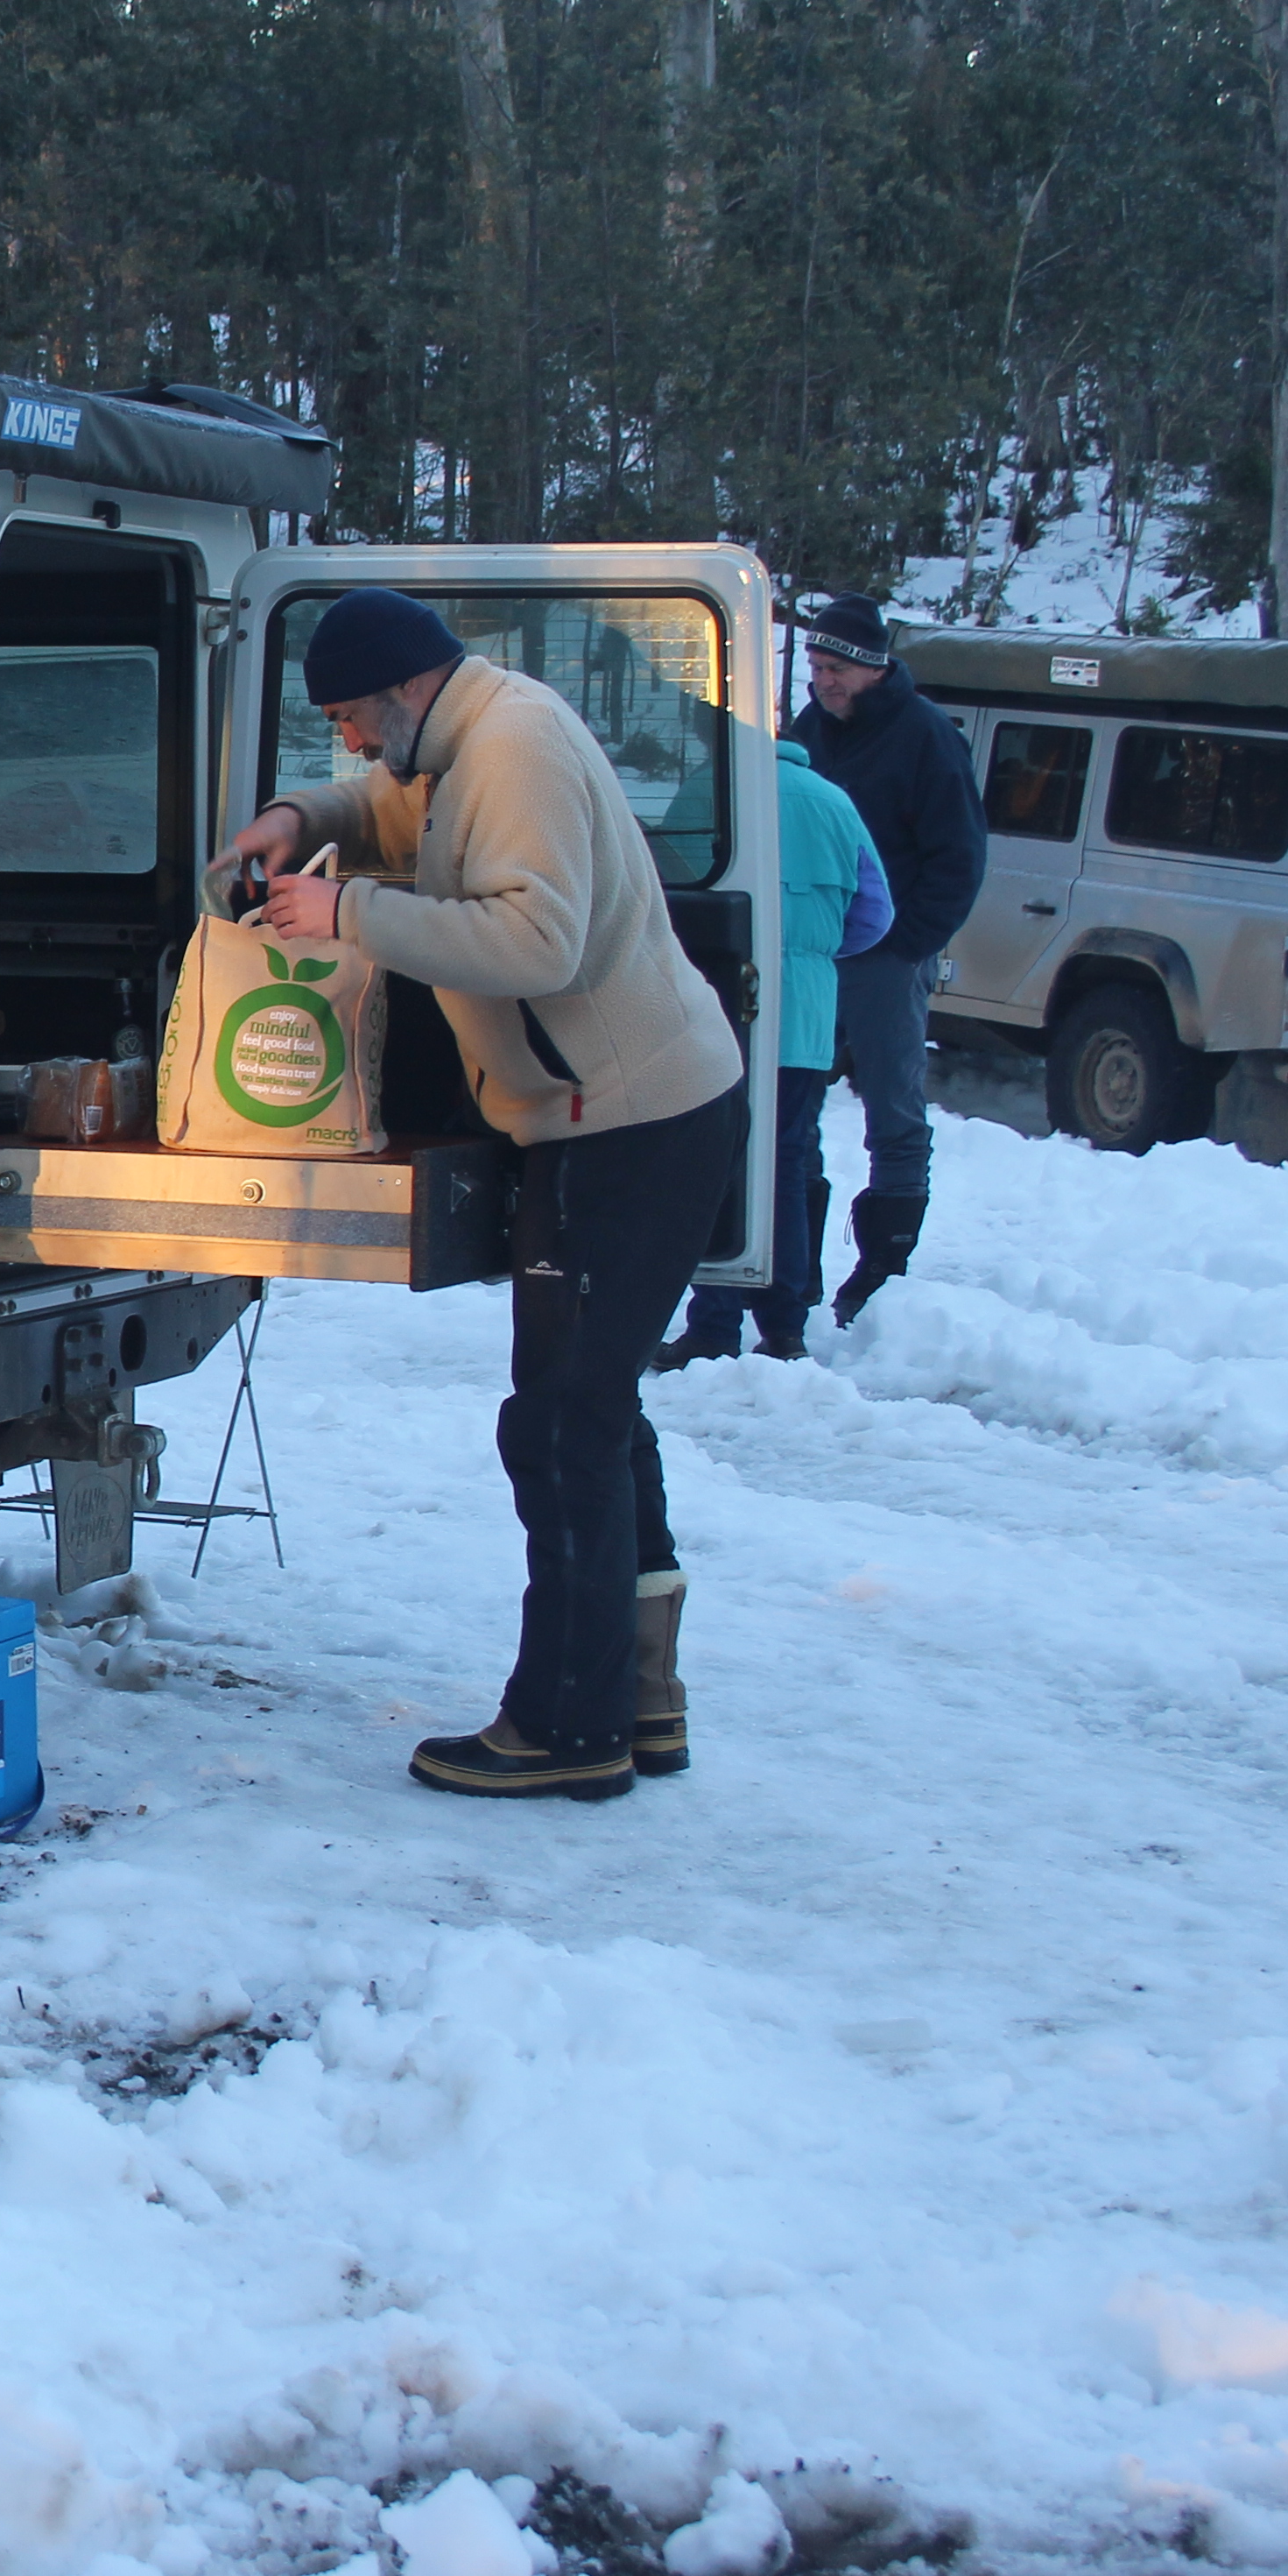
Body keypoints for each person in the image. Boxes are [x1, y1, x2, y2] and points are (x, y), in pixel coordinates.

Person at [225, 588, 749, 1803]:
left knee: (561, 1425)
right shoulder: (458, 740)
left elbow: (538, 945)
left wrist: (346, 910)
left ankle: (569, 1729)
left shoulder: (510, 749)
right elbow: (384, 805)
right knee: (594, 1412)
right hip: (611, 1115)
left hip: (629, 1126)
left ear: (406, 690)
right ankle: (639, 1700)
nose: (349, 741)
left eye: (352, 718)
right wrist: (299, 816)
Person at [654, 740, 890, 1364]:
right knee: (786, 1163)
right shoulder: (836, 803)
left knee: (722, 1161)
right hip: (805, 1018)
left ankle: (713, 1325)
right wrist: (813, 952)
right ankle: (785, 1324)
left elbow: (663, 889)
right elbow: (875, 914)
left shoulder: (715, 790)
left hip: (721, 1002)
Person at [783, 595, 983, 1325]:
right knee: (792, 1102)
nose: (823, 680)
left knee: (892, 1110)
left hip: (888, 956)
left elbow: (959, 858)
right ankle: (791, 1267)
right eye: (816, 665)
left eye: (835, 668)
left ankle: (882, 1271)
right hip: (813, 951)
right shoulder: (813, 728)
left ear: (872, 669)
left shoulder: (928, 739)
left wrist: (907, 944)